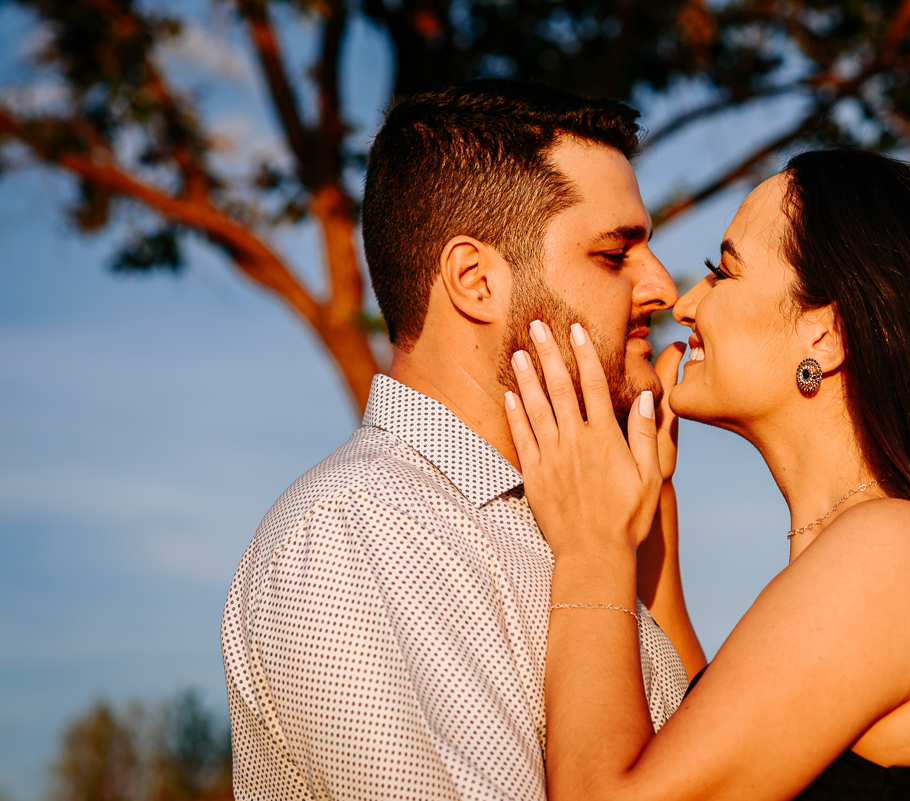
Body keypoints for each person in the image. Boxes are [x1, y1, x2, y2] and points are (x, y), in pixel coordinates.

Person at [503, 149, 910, 800]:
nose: (684, 303)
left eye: (722, 272)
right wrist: (653, 509)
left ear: (826, 333)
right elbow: (708, 746)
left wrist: (591, 550)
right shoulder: (884, 547)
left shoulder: (892, 553)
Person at [220, 79, 705, 801]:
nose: (664, 287)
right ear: (475, 281)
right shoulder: (358, 532)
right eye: (614, 254)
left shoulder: (577, 529)